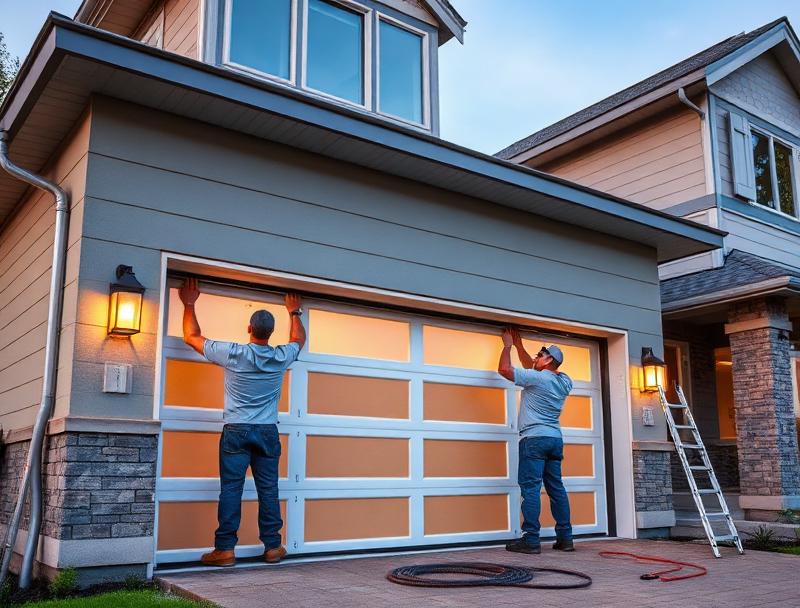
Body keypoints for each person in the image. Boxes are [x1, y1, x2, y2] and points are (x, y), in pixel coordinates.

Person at [178, 277, 305, 567]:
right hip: (267, 432)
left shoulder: (234, 353)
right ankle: (273, 547)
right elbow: (299, 340)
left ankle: (224, 550)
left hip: (236, 430)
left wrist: (188, 303)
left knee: (232, 489)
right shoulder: (280, 356)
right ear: (271, 333)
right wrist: (294, 312)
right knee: (268, 490)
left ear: (249, 329)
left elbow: (192, 336)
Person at [497, 327, 574, 555]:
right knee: (556, 488)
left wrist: (508, 346)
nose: (535, 359)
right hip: (554, 440)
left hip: (534, 440)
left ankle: (530, 540)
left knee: (530, 489)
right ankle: (565, 538)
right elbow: (533, 370)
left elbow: (504, 369)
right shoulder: (564, 381)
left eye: (540, 356)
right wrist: (522, 348)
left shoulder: (538, 380)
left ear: (549, 360)